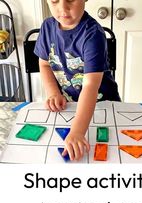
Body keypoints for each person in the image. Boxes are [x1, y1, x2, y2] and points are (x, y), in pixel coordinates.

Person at [34, 0, 120, 161]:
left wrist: (78, 132)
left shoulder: (93, 34)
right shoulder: (47, 27)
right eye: (54, 0)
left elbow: (90, 86)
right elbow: (45, 65)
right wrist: (53, 93)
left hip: (103, 106)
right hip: (69, 106)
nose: (63, 8)